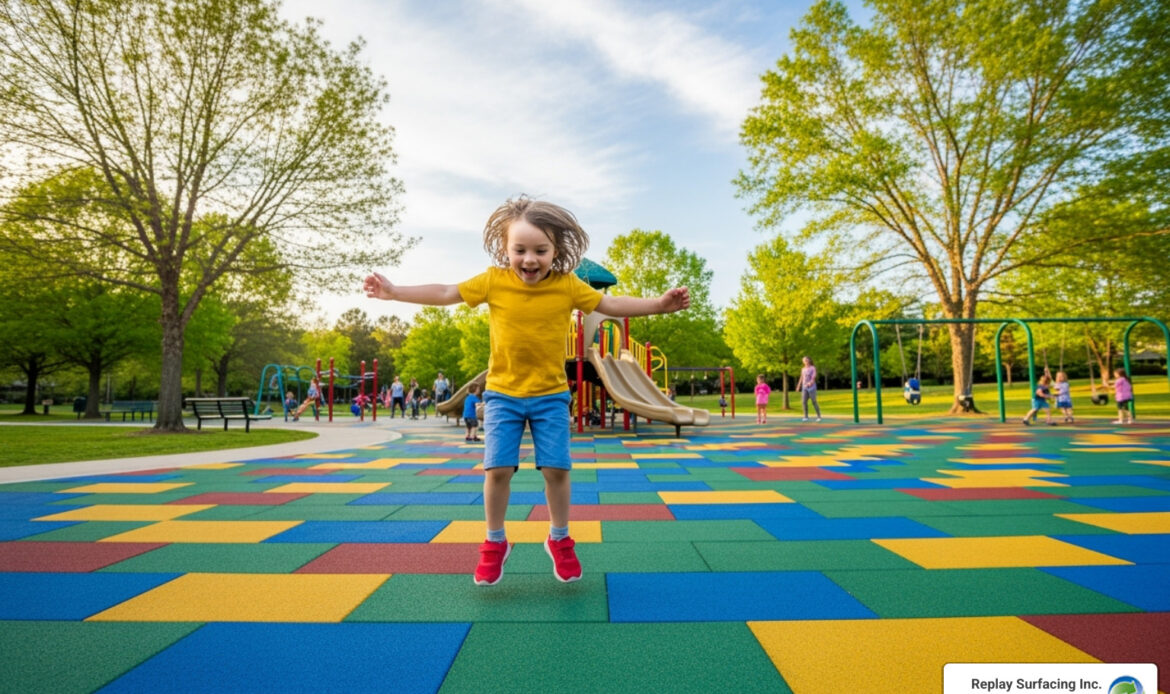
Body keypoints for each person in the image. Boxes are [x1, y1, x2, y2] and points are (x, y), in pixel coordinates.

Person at [364, 194, 690, 587]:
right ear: (506, 250)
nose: (530, 259)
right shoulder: (493, 281)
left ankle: (559, 538)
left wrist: (658, 305)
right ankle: (495, 541)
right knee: (497, 469)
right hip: (502, 394)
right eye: (520, 250)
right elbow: (446, 292)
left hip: (551, 395)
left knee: (556, 469)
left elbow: (609, 302)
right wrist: (394, 291)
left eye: (540, 250)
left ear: (557, 250)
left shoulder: (568, 286)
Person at [796, 356, 822, 422]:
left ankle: (819, 416)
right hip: (804, 387)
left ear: (809, 360)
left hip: (812, 387)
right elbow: (801, 377)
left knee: (814, 401)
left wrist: (810, 383)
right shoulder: (803, 369)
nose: (805, 361)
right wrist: (798, 385)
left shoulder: (813, 368)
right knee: (804, 401)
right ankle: (805, 416)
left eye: (806, 360)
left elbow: (813, 377)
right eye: (804, 360)